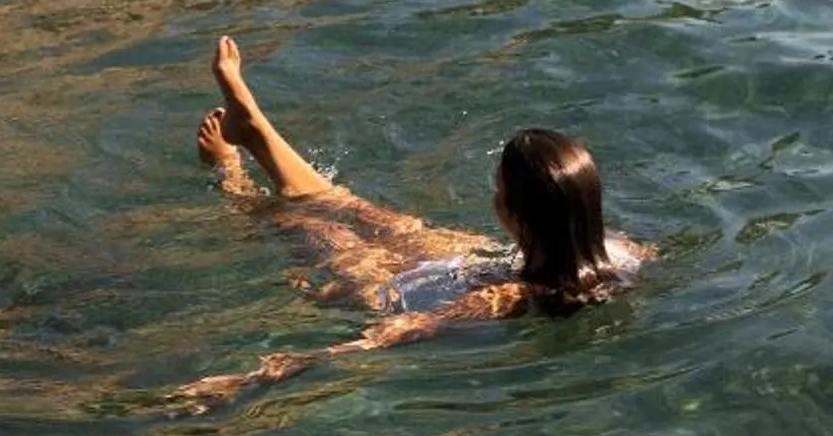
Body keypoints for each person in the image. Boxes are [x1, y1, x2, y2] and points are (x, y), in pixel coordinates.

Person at [181, 36, 650, 405]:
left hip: (393, 292)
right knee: (365, 213)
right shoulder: (620, 253)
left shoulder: (501, 299)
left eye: (498, 190)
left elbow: (383, 339)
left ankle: (232, 175)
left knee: (324, 227)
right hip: (481, 264)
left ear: (519, 217)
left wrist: (253, 378)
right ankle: (255, 128)